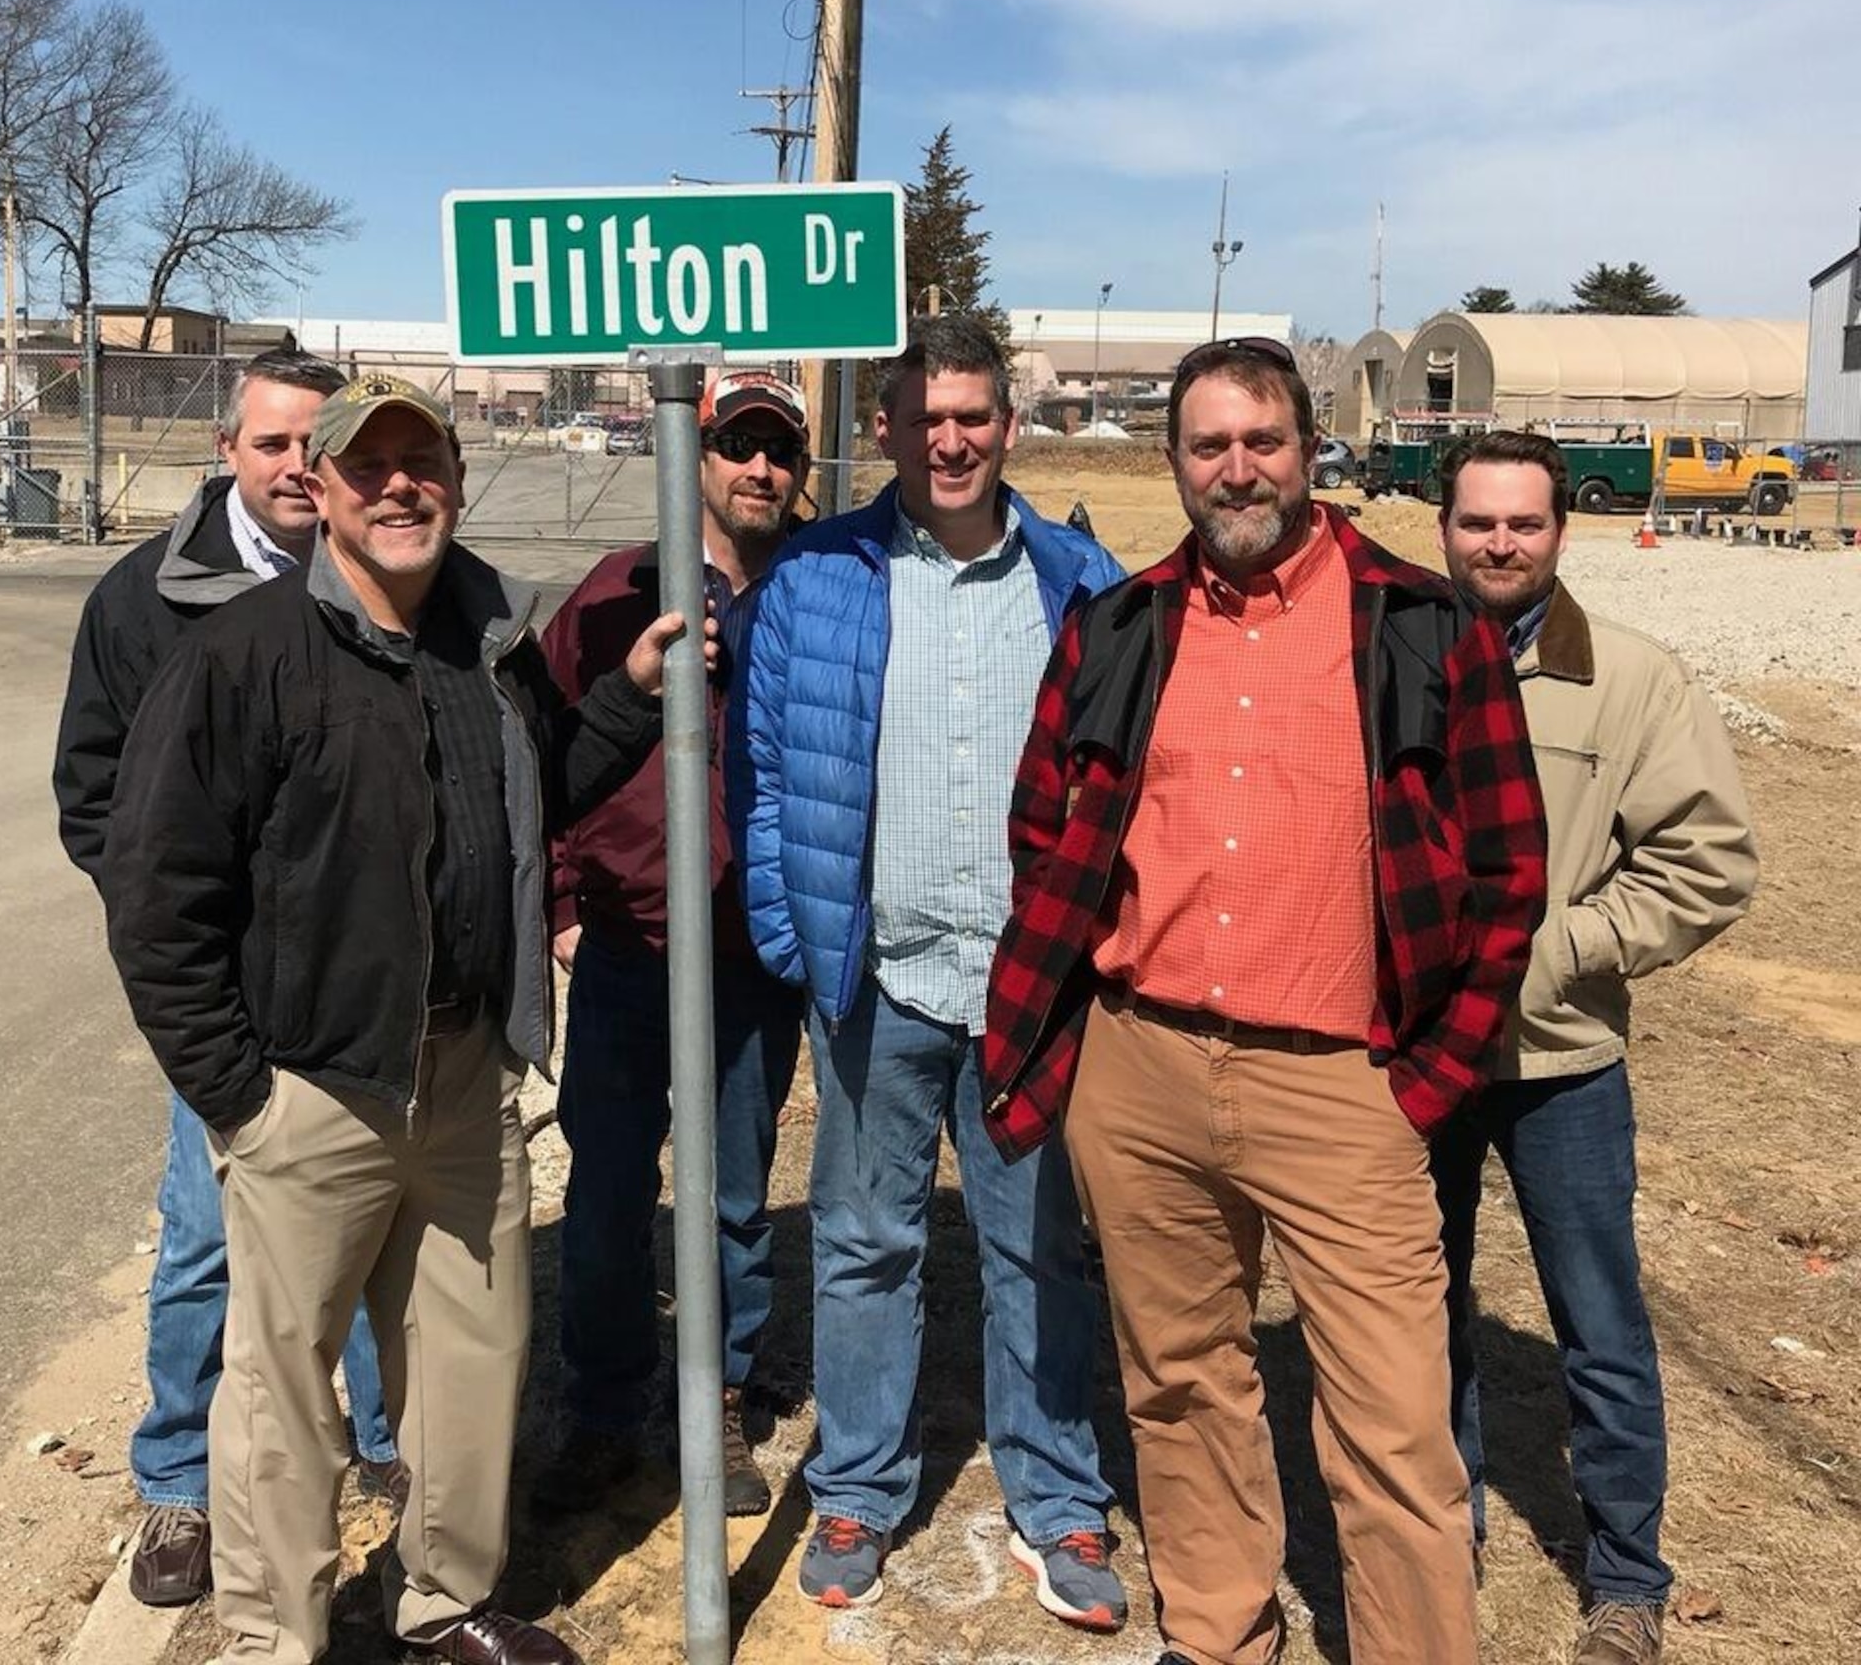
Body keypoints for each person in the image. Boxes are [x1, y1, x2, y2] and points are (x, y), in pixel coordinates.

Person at [102, 372, 699, 1665]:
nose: (399, 487)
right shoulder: (245, 655)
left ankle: (443, 1602)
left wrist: (628, 699)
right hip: (310, 1087)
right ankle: (278, 1634)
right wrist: (240, 1098)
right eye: (369, 467)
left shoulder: (485, 644)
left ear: (457, 483)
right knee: (284, 1402)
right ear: (321, 489)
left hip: (465, 1069)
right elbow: (158, 895)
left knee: (471, 1365)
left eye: (421, 462)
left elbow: (532, 794)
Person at [982, 338, 1549, 1665]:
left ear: (1310, 449)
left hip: (1346, 1082)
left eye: (1264, 440)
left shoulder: (1422, 625)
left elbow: (1509, 873)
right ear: (1175, 462)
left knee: (1394, 1427)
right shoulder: (1116, 629)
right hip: (1144, 1066)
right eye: (1208, 445)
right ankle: (1223, 1630)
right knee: (1181, 1387)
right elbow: (1043, 835)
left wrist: (1424, 1080)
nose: (1238, 468)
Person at [729, 321, 1130, 1630]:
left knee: (1040, 1253)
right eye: (925, 418)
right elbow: (769, 778)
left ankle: (1061, 1501)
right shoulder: (817, 575)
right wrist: (801, 941)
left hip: (1029, 994)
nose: (950, 439)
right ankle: (856, 1486)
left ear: (1008, 426)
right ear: (887, 430)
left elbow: (1130, 781)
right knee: (861, 1245)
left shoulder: (1078, 580)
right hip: (879, 981)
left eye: (974, 416)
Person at [52, 347, 405, 1608]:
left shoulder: (385, 579)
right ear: (228, 452)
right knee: (206, 1235)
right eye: (274, 445)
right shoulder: (147, 599)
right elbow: (95, 797)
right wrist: (181, 945)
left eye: (319, 446)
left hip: (361, 987)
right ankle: (176, 1482)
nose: (299, 468)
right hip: (232, 998)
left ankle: (381, 1443)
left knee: (364, 1230)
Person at [1433, 431, 1756, 1665]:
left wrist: (1555, 951)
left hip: (1558, 1061)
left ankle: (1624, 1577)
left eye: (1521, 522)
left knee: (1600, 1324)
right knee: (1420, 1311)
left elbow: (1706, 860)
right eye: (1476, 522)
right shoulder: (1395, 659)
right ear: (1442, 528)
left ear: (1559, 529)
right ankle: (1437, 1527)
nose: (1498, 543)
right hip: (1422, 1058)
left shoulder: (1627, 679)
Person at [539, 370, 812, 1517]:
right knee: (606, 1191)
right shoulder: (617, 589)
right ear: (696, 453)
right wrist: (558, 896)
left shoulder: (819, 590)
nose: (759, 468)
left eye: (779, 452)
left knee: (735, 1199)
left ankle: (720, 1404)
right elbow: (543, 748)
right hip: (625, 950)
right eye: (739, 444)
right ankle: (602, 1408)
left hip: (750, 956)